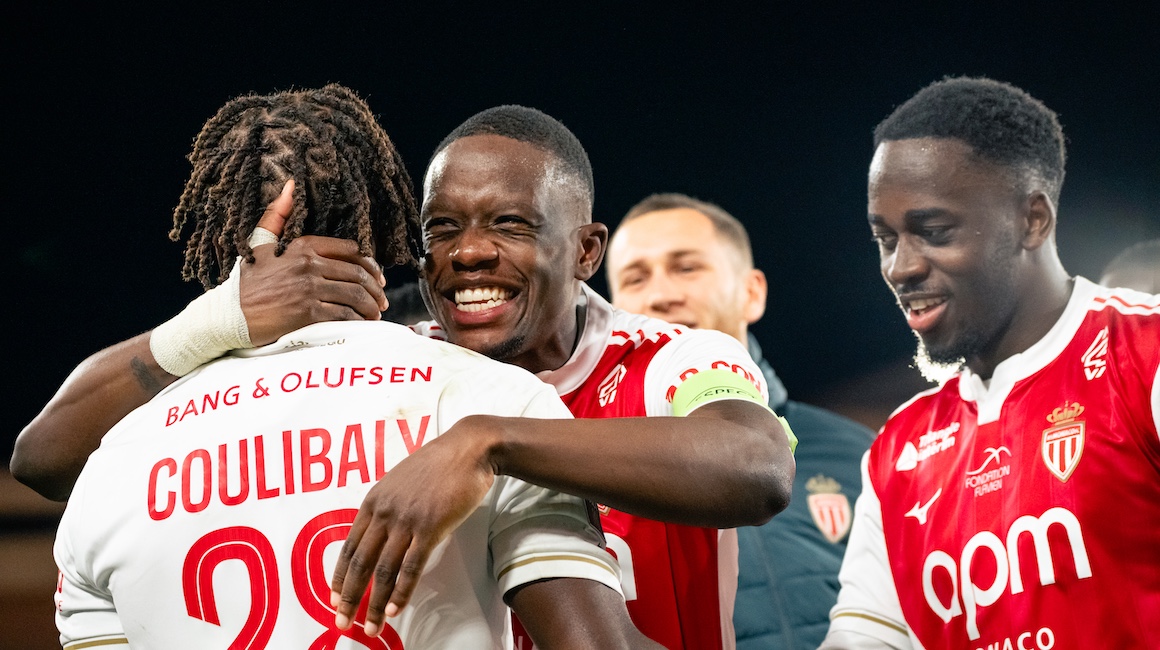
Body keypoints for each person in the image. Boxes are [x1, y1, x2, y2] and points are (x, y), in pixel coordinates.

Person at [15, 105, 797, 650]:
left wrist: (487, 443)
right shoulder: (411, 371)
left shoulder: (672, 357)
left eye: (510, 224)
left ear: (587, 250)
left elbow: (757, 467)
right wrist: (222, 319)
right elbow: (43, 456)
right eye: (441, 229)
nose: (469, 253)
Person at [819, 77, 1160, 650]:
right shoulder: (898, 449)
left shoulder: (1144, 354)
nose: (901, 268)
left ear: (1032, 220)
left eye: (933, 232)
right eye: (886, 239)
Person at [605, 193, 874, 650]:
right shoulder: (591, 470)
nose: (660, 296)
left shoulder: (862, 455)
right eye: (635, 278)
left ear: (751, 293)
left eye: (686, 268)